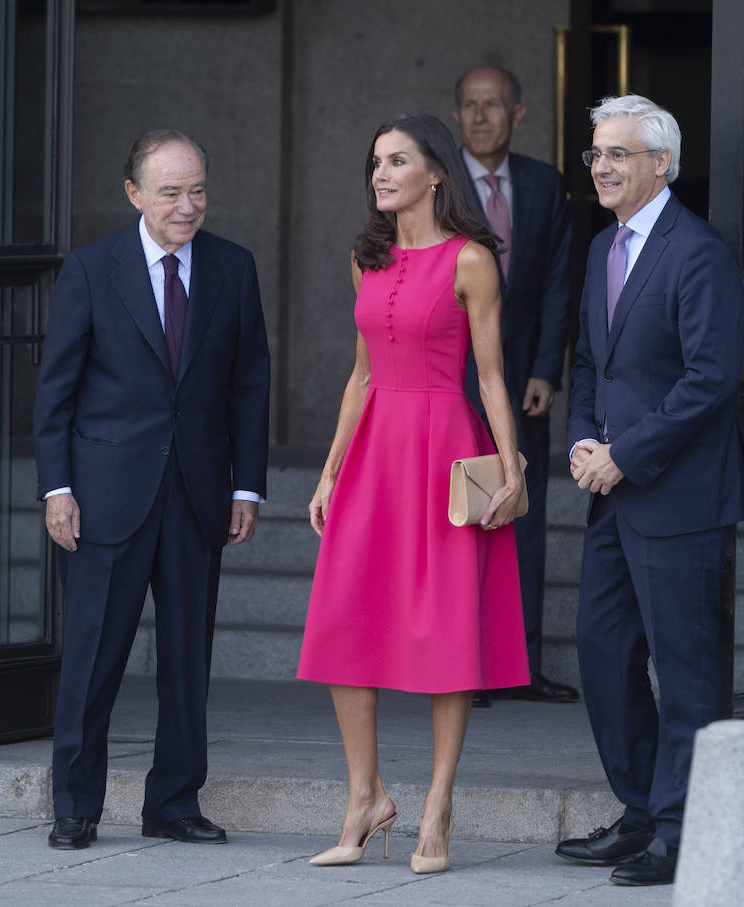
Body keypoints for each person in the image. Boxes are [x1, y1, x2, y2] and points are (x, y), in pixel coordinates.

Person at [297, 113, 529, 875]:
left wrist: (511, 465)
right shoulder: (366, 257)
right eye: (374, 163)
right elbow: (360, 374)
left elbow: (491, 376)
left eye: (397, 161)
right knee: (342, 617)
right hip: (374, 453)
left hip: (444, 447)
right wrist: (330, 471)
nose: (380, 174)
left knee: (444, 627)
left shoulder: (472, 261)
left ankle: (437, 803)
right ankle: (364, 794)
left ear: (436, 173)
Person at [555, 95, 744, 886]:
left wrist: (625, 454)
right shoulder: (602, 248)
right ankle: (643, 810)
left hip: (677, 492)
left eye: (617, 154)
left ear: (662, 164)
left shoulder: (697, 251)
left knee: (684, 670)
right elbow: (591, 360)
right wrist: (583, 438)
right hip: (613, 487)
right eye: (595, 155)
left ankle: (683, 830)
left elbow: (710, 379)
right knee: (604, 650)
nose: (602, 167)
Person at [33, 129, 270, 851]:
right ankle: (75, 804)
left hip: (198, 491)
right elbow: (55, 390)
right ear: (134, 193)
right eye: (170, 191)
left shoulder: (233, 266)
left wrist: (249, 489)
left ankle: (173, 800)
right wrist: (57, 487)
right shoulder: (90, 268)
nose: (187, 205)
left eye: (197, 189)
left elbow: (250, 385)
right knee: (92, 656)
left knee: (187, 659)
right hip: (105, 494)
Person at [452, 65, 577, 708]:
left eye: (493, 104)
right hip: (453, 381)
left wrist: (546, 371)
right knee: (462, 525)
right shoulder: (437, 184)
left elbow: (559, 283)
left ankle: (520, 665)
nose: (480, 116)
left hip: (523, 378)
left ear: (517, 113)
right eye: (470, 105)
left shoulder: (543, 184)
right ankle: (464, 668)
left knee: (521, 519)